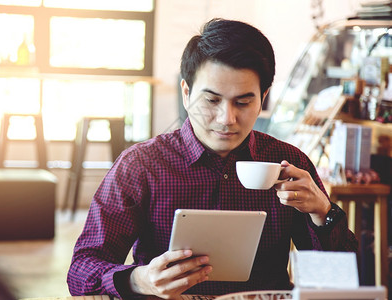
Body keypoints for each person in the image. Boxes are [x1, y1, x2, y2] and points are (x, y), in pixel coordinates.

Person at [67, 18, 358, 299]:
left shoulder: (288, 163)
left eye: (243, 102)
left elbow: (341, 280)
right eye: (211, 100)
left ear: (263, 97)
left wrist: (322, 211)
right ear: (186, 93)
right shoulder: (141, 165)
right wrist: (140, 280)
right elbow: (81, 270)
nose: (227, 119)